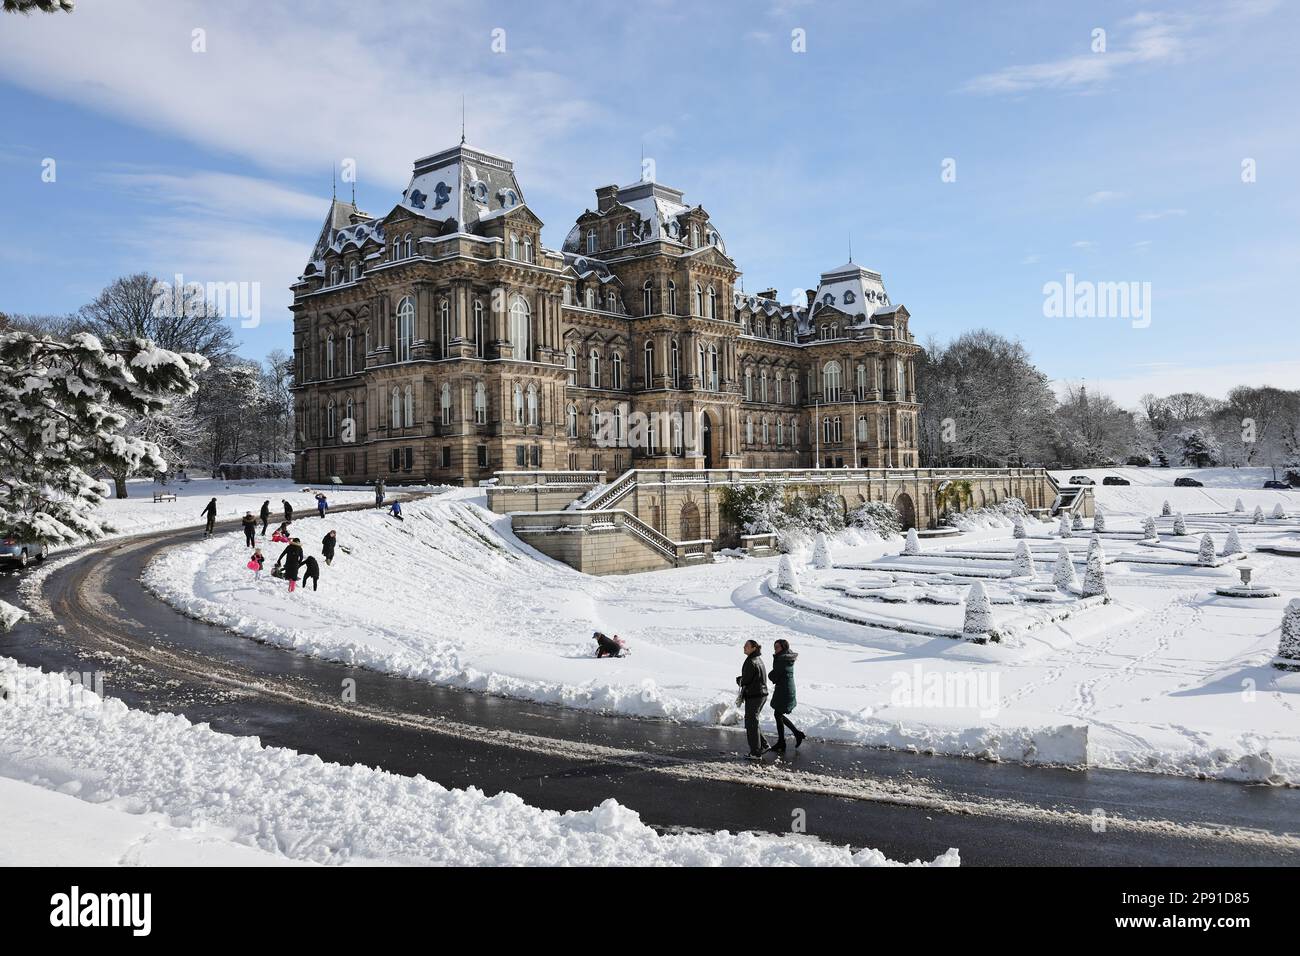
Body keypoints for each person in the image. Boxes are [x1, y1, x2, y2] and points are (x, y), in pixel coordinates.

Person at [768, 639, 806, 751]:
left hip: (784, 690)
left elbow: (774, 676)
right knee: (778, 714)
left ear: (783, 648)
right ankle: (793, 735)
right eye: (774, 647)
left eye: (777, 647)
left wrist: (770, 674)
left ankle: (783, 741)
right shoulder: (786, 657)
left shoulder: (782, 659)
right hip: (786, 688)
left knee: (778, 713)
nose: (775, 649)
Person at [736, 640, 770, 760]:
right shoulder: (757, 659)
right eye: (744, 645)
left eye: (747, 646)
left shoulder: (751, 661)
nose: (744, 647)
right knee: (753, 721)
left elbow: (746, 680)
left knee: (751, 723)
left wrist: (739, 680)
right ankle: (763, 745)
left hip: (755, 695)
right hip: (760, 694)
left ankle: (755, 752)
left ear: (754, 648)